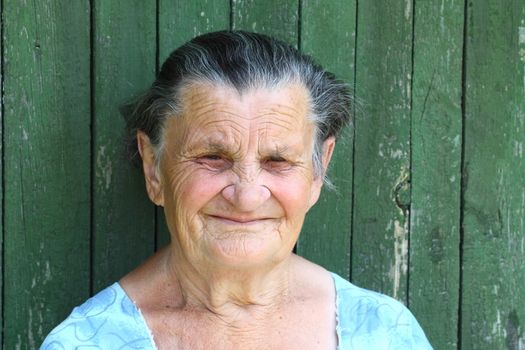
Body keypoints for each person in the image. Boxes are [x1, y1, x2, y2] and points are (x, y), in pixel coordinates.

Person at [41, 31, 432, 349]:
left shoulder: (385, 333)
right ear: (154, 166)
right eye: (212, 157)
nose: (246, 196)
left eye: (278, 161)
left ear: (317, 170)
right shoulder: (88, 343)